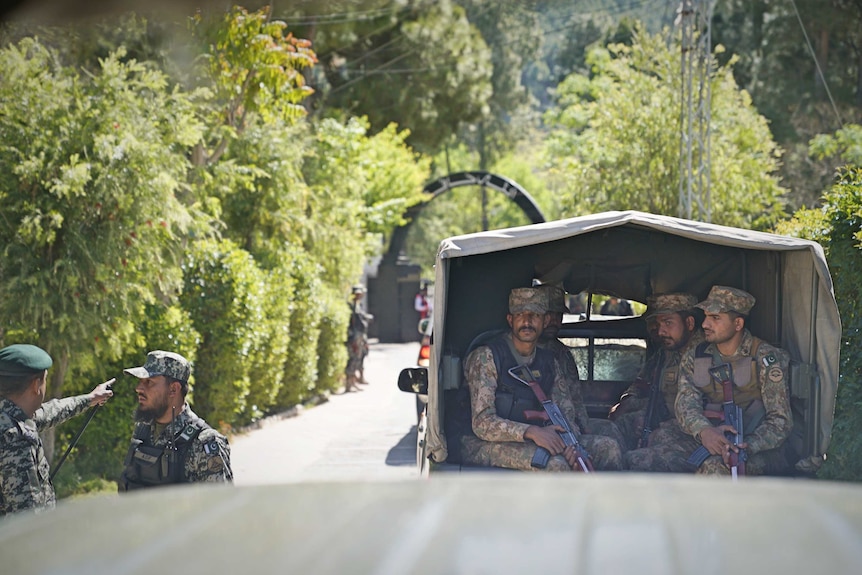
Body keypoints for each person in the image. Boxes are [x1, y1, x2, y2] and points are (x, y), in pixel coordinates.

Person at [459, 287, 623, 472]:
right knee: (555, 465)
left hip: (540, 438)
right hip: (483, 443)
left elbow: (566, 412)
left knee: (608, 448)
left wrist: (570, 443)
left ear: (545, 321)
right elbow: (482, 423)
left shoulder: (549, 362)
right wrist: (531, 432)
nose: (527, 321)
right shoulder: (487, 357)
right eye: (520, 314)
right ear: (510, 320)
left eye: (535, 315)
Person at [675, 286, 793, 476]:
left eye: (715, 318)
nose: (704, 324)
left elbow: (780, 421)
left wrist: (746, 446)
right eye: (705, 316)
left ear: (737, 324)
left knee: (714, 469)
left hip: (758, 447)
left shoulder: (765, 358)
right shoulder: (696, 356)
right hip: (710, 439)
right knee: (646, 460)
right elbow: (685, 403)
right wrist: (704, 431)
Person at [1, 344, 114, 516]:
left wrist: (90, 399)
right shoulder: (16, 438)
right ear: (36, 385)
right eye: (45, 379)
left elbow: (51, 411)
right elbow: (26, 520)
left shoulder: (10, 416)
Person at [609, 293, 703, 466]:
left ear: (689, 323)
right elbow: (640, 383)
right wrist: (628, 401)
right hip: (661, 416)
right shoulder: (665, 353)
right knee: (621, 424)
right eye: (659, 324)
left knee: (648, 448)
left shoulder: (705, 354)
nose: (661, 331)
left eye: (668, 323)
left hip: (693, 429)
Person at [119, 350, 232, 490]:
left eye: (149, 382)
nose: (138, 388)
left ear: (173, 389)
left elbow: (223, 506)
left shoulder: (204, 442)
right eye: (140, 382)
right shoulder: (143, 430)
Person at [536, 284, 627, 450]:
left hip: (569, 423)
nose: (554, 321)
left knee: (610, 429)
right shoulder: (523, 351)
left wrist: (584, 428)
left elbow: (575, 398)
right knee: (608, 447)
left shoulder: (561, 352)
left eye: (558, 315)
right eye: (548, 314)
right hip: (541, 427)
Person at [345, 284, 373, 392]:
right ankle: (349, 383)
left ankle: (354, 381)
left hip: (360, 335)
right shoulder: (352, 306)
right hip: (354, 336)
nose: (359, 295)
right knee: (353, 358)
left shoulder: (358, 305)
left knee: (360, 357)